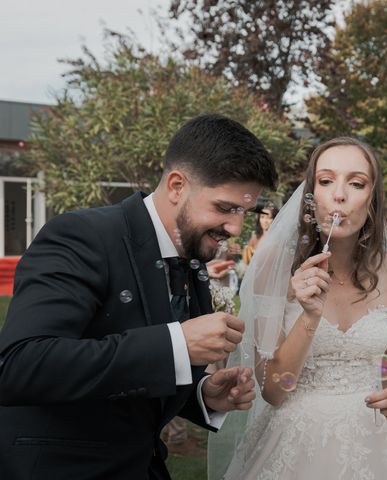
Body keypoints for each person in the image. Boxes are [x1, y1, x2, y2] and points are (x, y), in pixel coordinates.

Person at [0, 113, 277, 479]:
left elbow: (133, 383)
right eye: (225, 208)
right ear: (177, 186)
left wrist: (201, 396)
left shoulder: (190, 260)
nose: (236, 227)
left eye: (244, 211)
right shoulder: (83, 236)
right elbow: (22, 365)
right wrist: (177, 345)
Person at [211, 137, 387, 480]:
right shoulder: (273, 269)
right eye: (326, 181)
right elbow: (274, 390)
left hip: (379, 443)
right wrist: (310, 315)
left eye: (356, 183)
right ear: (311, 196)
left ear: (372, 201)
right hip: (295, 444)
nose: (339, 195)